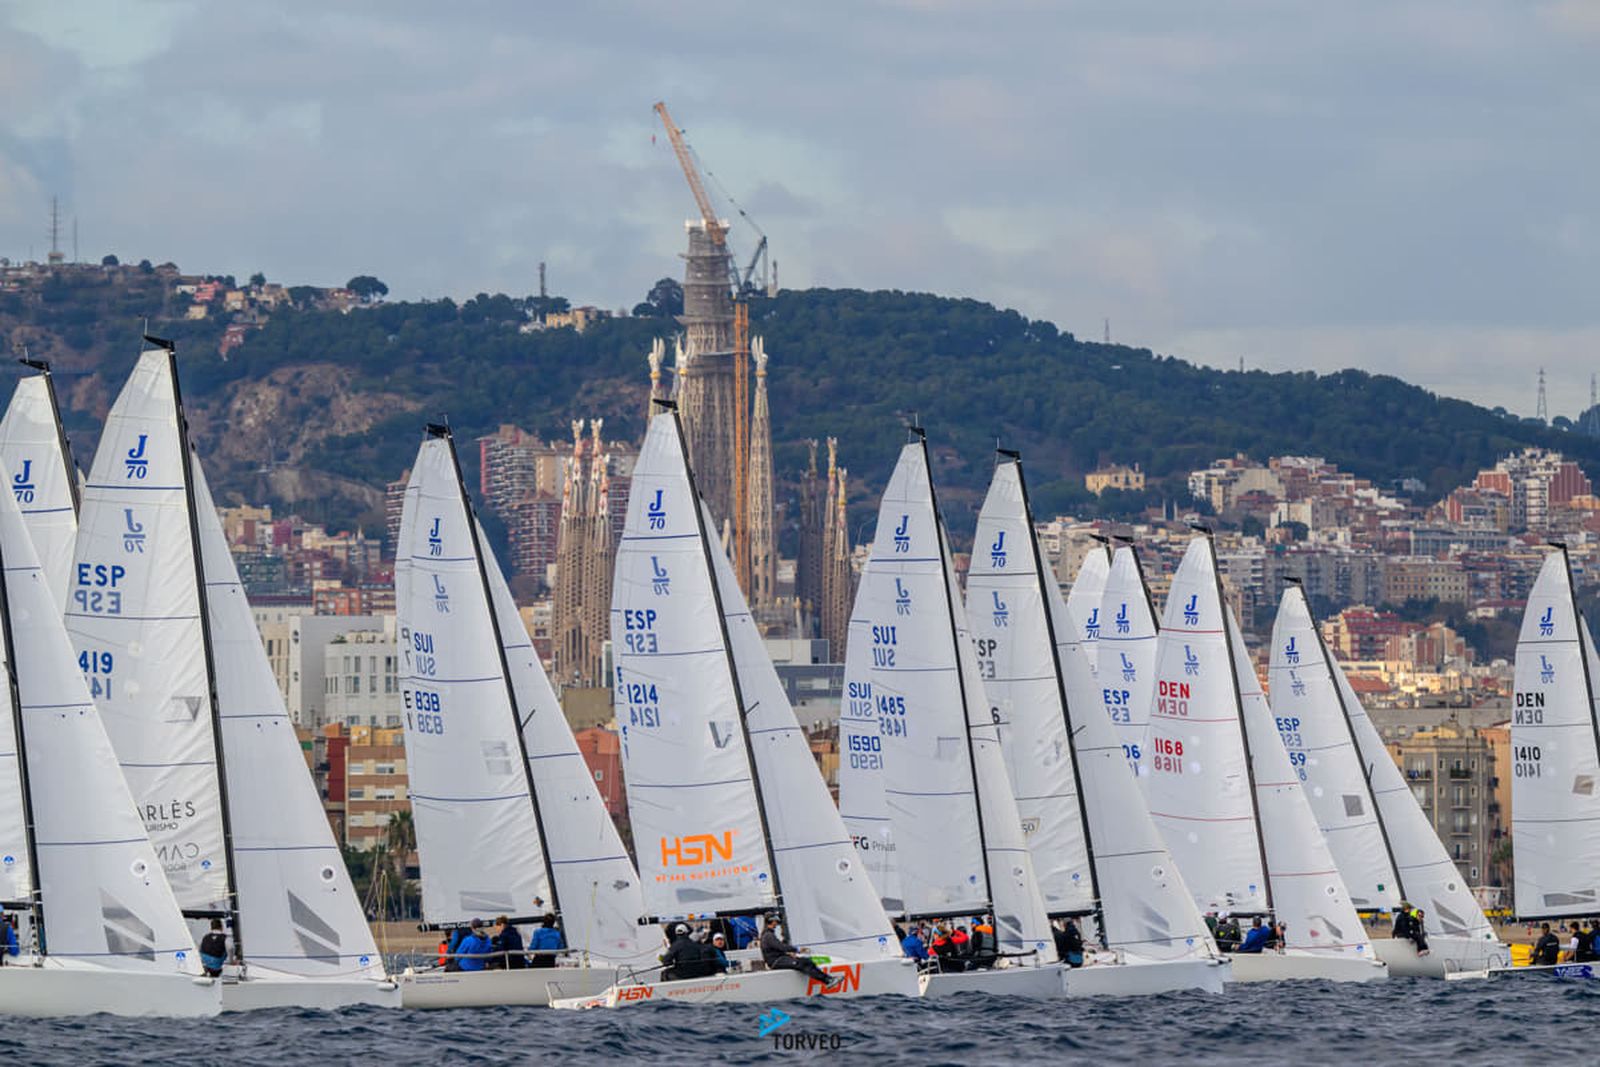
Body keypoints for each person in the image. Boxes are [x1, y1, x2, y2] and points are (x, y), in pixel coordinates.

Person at [760, 915, 840, 987]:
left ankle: (829, 979)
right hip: (775, 961)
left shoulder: (769, 934)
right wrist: (797, 949)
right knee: (802, 963)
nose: (777, 922)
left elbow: (777, 949)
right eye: (776, 920)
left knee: (807, 961)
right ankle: (827, 981)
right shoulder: (768, 935)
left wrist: (788, 954)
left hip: (779, 959)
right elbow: (781, 947)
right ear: (772, 921)